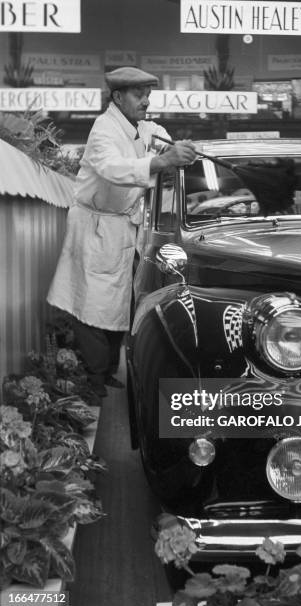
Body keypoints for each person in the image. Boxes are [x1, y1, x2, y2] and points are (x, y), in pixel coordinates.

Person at [47, 66, 196, 397]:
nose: (146, 101)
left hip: (123, 230)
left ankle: (107, 372)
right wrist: (160, 162)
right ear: (117, 97)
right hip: (95, 228)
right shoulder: (103, 129)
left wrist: (181, 151)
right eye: (138, 95)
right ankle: (93, 379)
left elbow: (166, 145)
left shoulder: (145, 128)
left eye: (148, 95)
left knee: (118, 303)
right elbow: (112, 169)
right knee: (91, 305)